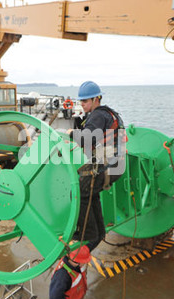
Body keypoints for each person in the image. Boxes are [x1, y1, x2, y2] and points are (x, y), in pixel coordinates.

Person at [69, 81, 126, 252]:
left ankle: (86, 234)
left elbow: (88, 137)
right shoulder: (110, 114)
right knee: (90, 191)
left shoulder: (97, 115)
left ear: (95, 99)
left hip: (108, 165)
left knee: (78, 191)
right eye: (81, 102)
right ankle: (98, 232)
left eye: (85, 101)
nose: (82, 105)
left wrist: (71, 134)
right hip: (116, 164)